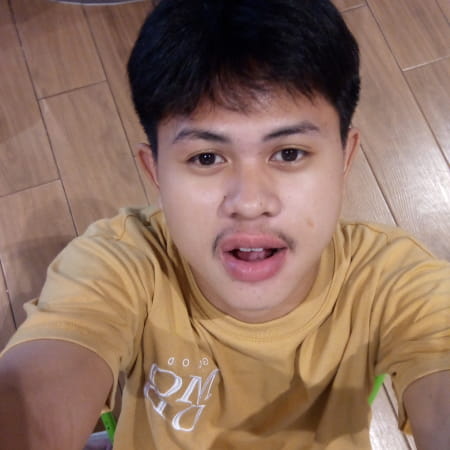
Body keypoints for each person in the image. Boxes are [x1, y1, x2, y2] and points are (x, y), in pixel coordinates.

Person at [1, 0, 449, 449]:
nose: (249, 203)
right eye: (206, 157)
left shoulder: (392, 283)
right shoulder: (123, 263)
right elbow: (38, 384)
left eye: (289, 153)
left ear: (345, 157)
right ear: (155, 170)